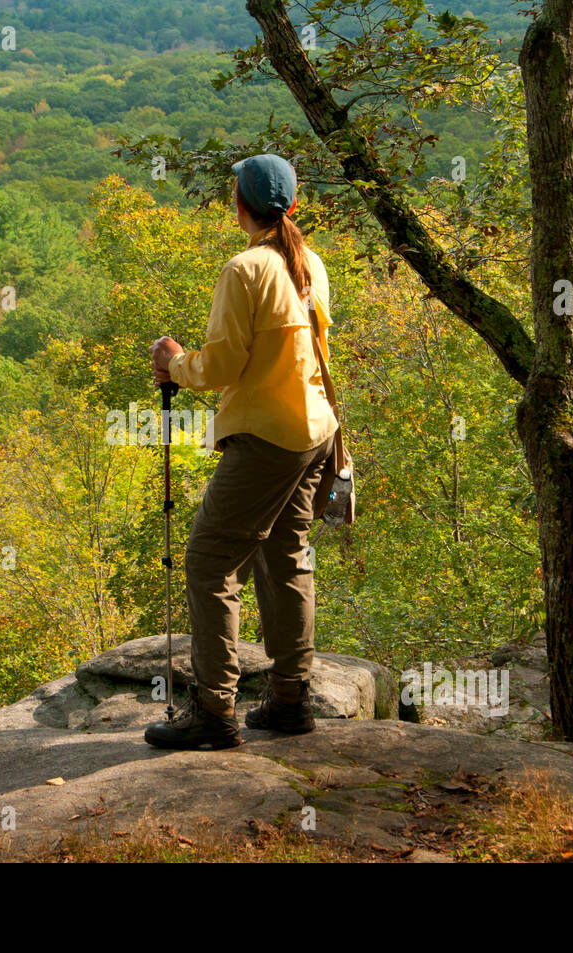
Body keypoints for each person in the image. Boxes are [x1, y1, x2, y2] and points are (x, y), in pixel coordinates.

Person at [144, 153, 338, 750]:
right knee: (285, 556)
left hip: (267, 437)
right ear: (294, 205)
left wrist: (173, 362)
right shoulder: (309, 263)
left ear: (239, 206)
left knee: (209, 560)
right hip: (315, 433)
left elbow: (224, 364)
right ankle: (289, 699)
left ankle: (214, 713)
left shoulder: (244, 268)